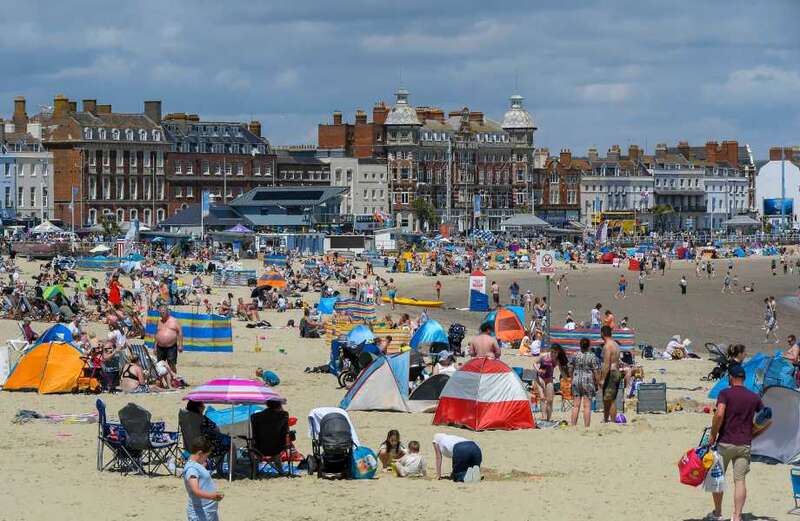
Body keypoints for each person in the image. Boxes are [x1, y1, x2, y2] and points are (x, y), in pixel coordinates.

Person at [707, 363, 770, 521]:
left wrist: (713, 434)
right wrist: (754, 433)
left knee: (718, 478)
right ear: (744, 378)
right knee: (740, 480)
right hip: (744, 444)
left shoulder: (725, 393)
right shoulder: (753, 397)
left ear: (731, 378)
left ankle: (718, 513)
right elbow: (768, 419)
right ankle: (737, 516)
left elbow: (719, 414)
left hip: (725, 442)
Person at [183, 437, 224, 521]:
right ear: (200, 453)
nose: (207, 458)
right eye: (206, 456)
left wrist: (201, 467)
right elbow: (196, 490)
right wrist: (212, 496)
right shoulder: (192, 470)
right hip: (200, 514)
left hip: (208, 511)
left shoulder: (196, 465)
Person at [570, 337, 600, 428]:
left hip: (576, 380)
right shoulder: (592, 356)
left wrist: (572, 378)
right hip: (588, 381)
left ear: (580, 345)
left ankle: (573, 425)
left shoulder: (575, 355)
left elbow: (570, 369)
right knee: (587, 406)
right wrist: (597, 382)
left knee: (576, 405)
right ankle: (586, 426)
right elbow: (595, 371)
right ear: (589, 346)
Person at [535, 344, 568, 422]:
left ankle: (548, 419)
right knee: (542, 398)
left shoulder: (557, 360)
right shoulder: (544, 356)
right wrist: (538, 369)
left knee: (550, 400)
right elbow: (535, 363)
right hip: (540, 378)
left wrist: (566, 378)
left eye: (555, 353)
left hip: (549, 379)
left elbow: (561, 370)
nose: (554, 354)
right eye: (552, 352)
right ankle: (543, 417)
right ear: (550, 350)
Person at [599, 325, 621, 423]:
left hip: (611, 373)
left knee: (610, 399)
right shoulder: (616, 345)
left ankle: (612, 421)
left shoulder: (607, 346)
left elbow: (606, 364)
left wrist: (603, 378)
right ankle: (606, 419)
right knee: (608, 399)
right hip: (616, 371)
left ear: (602, 333)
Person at [155, 305, 183, 372]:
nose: (162, 314)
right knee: (160, 364)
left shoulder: (174, 321)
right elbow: (157, 334)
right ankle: (162, 380)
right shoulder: (159, 321)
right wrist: (155, 346)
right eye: (160, 312)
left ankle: (174, 379)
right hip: (160, 347)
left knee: (171, 364)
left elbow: (180, 333)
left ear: (168, 312)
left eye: (163, 312)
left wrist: (180, 345)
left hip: (171, 347)